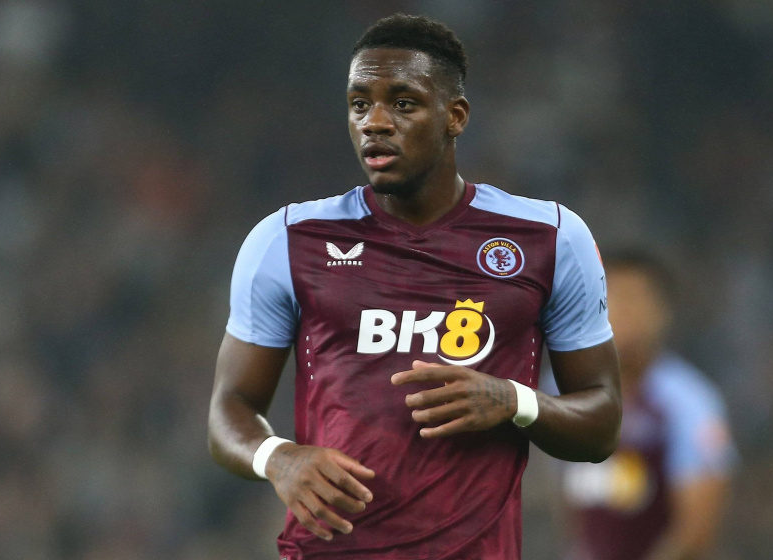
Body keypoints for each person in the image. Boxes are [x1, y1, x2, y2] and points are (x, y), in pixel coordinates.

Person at [208, 14, 621, 560]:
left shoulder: (549, 238)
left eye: (403, 104)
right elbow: (230, 407)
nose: (375, 123)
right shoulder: (287, 240)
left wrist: (514, 400)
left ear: (455, 116)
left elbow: (602, 424)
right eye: (359, 104)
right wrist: (277, 457)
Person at [557, 249, 737, 560]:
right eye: (612, 298)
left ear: (662, 313)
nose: (624, 312)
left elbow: (696, 531)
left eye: (636, 299)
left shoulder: (688, 403)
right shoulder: (565, 388)